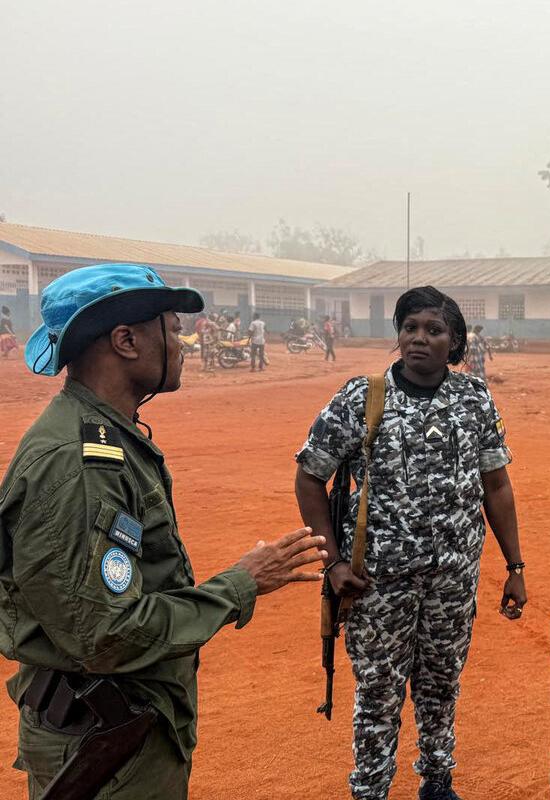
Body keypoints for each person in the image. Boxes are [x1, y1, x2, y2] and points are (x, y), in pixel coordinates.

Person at [0, 264, 326, 799]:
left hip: (119, 729)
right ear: (126, 340)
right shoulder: (80, 465)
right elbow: (106, 635)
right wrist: (240, 584)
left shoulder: (107, 438)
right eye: (172, 329)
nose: (182, 343)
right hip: (104, 748)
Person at [295, 286, 527, 800]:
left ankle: (437, 782)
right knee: (378, 692)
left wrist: (515, 565)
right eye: (410, 328)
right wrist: (332, 563)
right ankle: (370, 790)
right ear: (398, 335)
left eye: (433, 330)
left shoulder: (474, 398)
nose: (419, 339)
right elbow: (310, 478)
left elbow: (496, 485)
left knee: (441, 685)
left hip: (452, 580)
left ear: (455, 341)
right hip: (377, 584)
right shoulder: (362, 397)